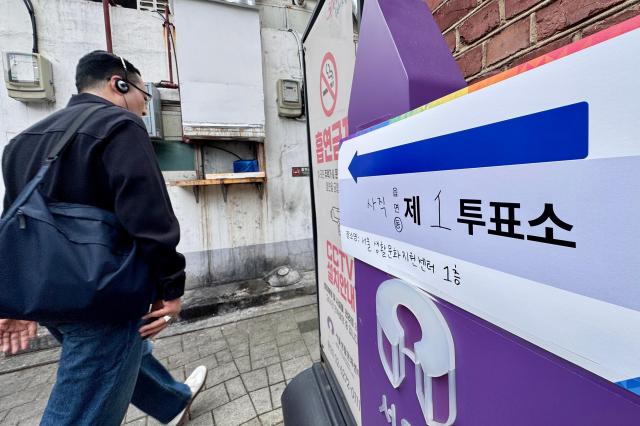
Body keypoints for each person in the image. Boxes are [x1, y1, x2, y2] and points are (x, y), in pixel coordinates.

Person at [0, 50, 206, 426]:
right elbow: (149, 218)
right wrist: (171, 288)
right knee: (84, 404)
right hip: (100, 293)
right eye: (145, 96)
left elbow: (13, 223)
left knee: (124, 351)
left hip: (47, 295)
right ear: (119, 83)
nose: (144, 108)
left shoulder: (22, 143)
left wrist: (14, 303)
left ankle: (173, 402)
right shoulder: (119, 126)